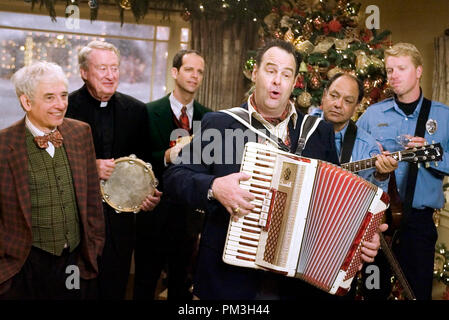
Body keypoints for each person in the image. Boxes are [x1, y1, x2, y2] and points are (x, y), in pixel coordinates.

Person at [163, 39, 386, 300]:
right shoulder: (220, 123)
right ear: (255, 73)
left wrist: (361, 238)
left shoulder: (317, 132)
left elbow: (336, 204)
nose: (277, 81)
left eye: (286, 74)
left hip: (297, 285)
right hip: (230, 281)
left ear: (294, 83)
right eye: (270, 70)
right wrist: (214, 187)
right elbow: (174, 177)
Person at [0, 61, 105, 299]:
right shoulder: (4, 145)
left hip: (74, 261)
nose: (61, 105)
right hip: (23, 265)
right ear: (27, 102)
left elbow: (92, 200)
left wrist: (94, 247)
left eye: (64, 95)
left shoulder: (81, 133)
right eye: (49, 98)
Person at [66, 40, 162, 300]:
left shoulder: (136, 110)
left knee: (114, 289)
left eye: (115, 68)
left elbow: (146, 165)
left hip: (120, 227)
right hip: (77, 224)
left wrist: (150, 194)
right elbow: (52, 165)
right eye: (102, 68)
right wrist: (90, 166)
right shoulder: (64, 109)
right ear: (84, 72)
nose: (110, 75)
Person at [357, 42, 449, 300]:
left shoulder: (443, 116)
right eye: (389, 70)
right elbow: (353, 162)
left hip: (419, 225)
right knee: (373, 292)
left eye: (401, 68)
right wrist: (377, 170)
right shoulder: (372, 116)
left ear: (418, 71)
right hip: (378, 222)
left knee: (417, 293)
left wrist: (432, 156)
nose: (393, 75)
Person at [134, 49, 211, 300]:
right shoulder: (147, 111)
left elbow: (210, 166)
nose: (195, 76)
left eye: (200, 71)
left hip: (189, 219)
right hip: (153, 213)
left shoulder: (209, 118)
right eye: (189, 69)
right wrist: (166, 157)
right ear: (175, 72)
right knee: (145, 284)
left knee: (181, 288)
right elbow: (138, 160)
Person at [319, 72, 398, 192]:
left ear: (356, 107)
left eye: (348, 101)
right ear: (324, 95)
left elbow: (373, 200)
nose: (338, 104)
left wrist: (381, 176)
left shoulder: (368, 145)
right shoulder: (302, 128)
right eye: (334, 96)